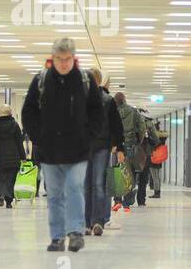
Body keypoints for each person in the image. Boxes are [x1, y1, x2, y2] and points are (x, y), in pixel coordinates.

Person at [21, 37, 104, 251]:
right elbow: (28, 111)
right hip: (49, 150)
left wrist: (89, 136)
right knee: (55, 194)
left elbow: (97, 112)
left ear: (73, 58)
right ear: (53, 58)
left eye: (68, 59)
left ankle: (76, 231)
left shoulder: (85, 81)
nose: (64, 63)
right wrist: (38, 137)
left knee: (75, 187)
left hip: (78, 149)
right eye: (59, 58)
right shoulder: (40, 81)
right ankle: (57, 237)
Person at [85, 69, 125, 234]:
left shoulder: (107, 100)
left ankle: (96, 222)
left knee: (95, 184)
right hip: (89, 147)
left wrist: (120, 147)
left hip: (99, 147)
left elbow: (116, 126)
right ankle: (90, 222)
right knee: (90, 185)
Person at [111, 90, 148, 213]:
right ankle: (126, 204)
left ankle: (117, 201)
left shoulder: (112, 111)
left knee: (117, 172)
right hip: (130, 146)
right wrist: (138, 141)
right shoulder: (133, 111)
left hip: (116, 147)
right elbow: (142, 127)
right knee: (129, 174)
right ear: (124, 100)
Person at [0, 104, 26, 208]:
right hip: (13, 156)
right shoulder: (14, 125)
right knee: (11, 179)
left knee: (0, 176)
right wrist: (23, 157)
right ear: (10, 113)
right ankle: (8, 202)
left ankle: (1, 194)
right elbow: (19, 142)